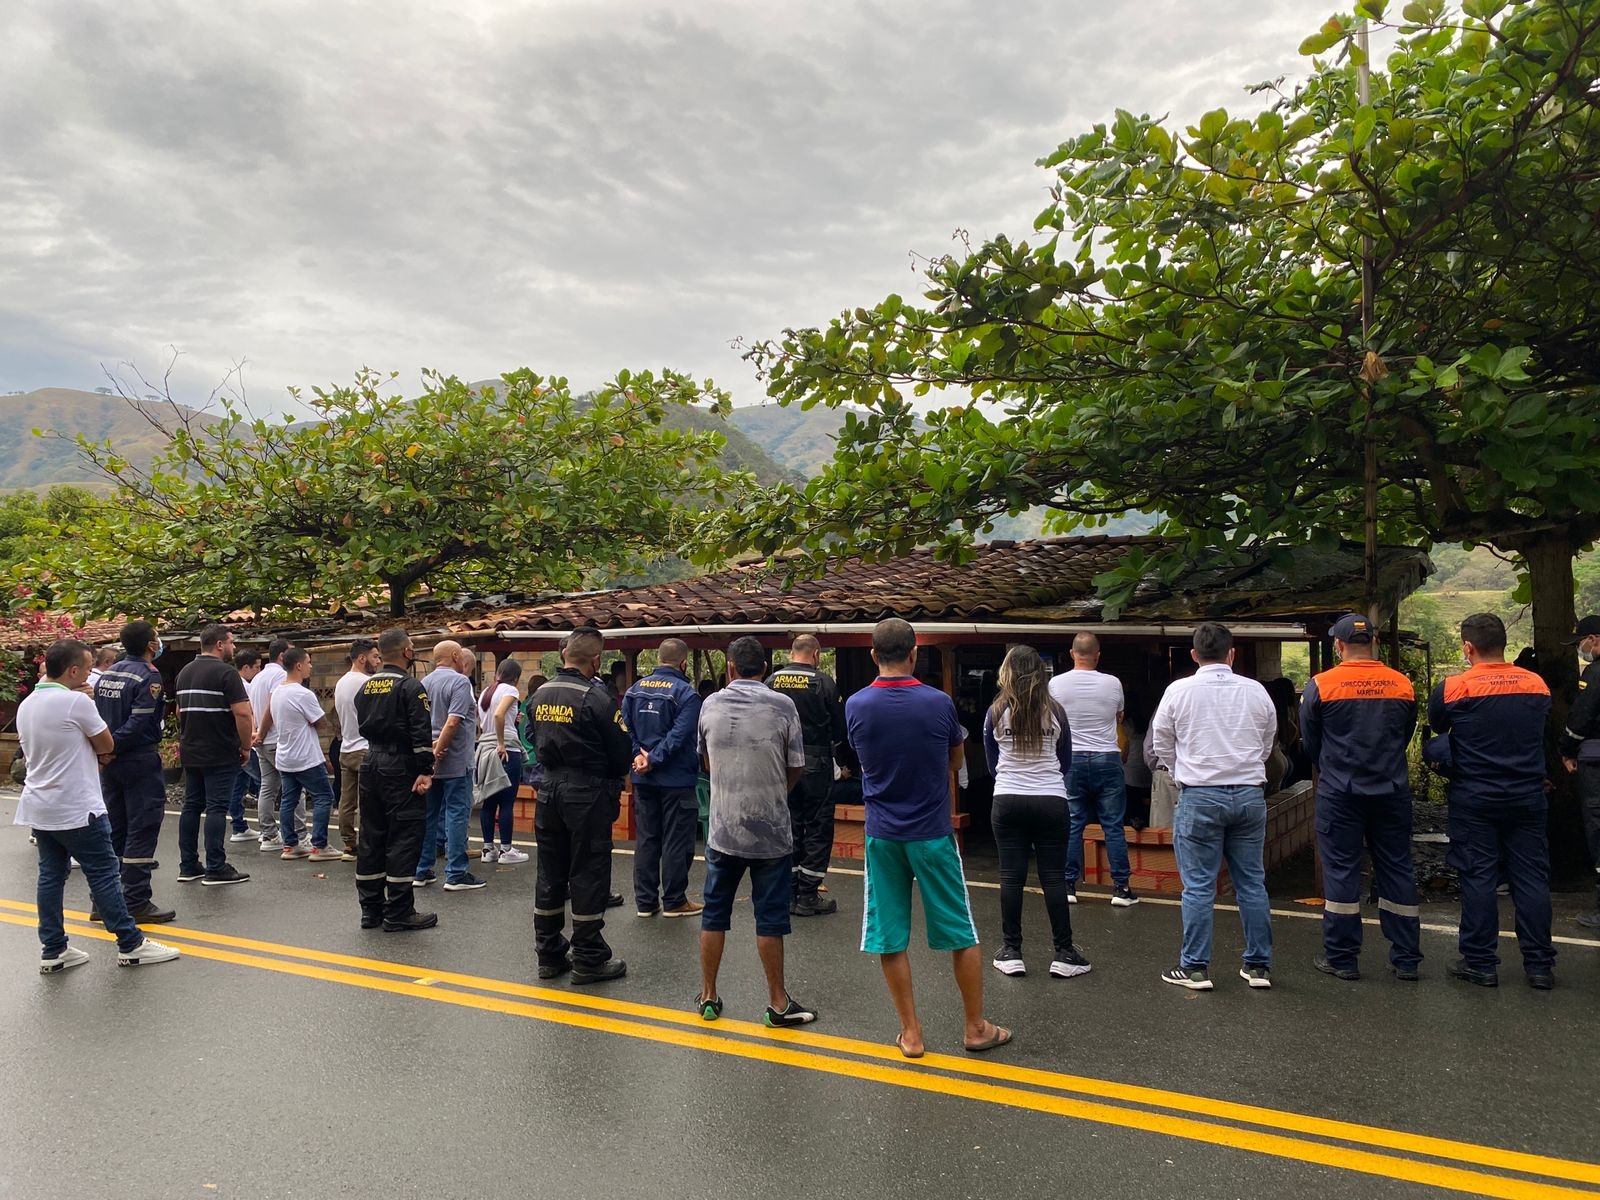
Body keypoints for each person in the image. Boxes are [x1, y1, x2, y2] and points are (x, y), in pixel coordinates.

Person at [846, 618, 1009, 1058]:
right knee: (960, 930)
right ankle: (975, 1027)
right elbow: (955, 761)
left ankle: (911, 1033)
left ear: (873, 655)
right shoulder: (939, 703)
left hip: (882, 834)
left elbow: (862, 756)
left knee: (889, 934)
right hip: (933, 832)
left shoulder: (857, 705)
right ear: (915, 654)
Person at [21, 639, 181, 971]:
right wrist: (86, 704)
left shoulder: (29, 703)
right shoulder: (76, 703)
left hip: (41, 804)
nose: (90, 674)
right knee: (105, 873)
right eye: (87, 667)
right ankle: (130, 943)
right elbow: (106, 743)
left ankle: (53, 948)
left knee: (50, 876)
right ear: (73, 670)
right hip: (77, 805)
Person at [1427, 613, 1556, 989]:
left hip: (1475, 797)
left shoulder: (1454, 687)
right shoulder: (1536, 684)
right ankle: (1540, 966)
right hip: (1527, 795)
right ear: (1504, 644)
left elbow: (1438, 726)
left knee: (1478, 876)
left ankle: (1480, 962)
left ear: (1468, 647)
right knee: (1531, 878)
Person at [694, 636, 817, 1026]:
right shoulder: (783, 705)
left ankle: (709, 995)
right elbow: (796, 765)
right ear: (765, 668)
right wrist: (774, 792)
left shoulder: (710, 704)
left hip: (723, 829)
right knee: (770, 918)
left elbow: (705, 761)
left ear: (730, 668)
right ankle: (777, 1003)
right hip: (771, 830)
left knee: (714, 913)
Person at [1149, 622, 1277, 991]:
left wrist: (1180, 771)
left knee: (1199, 886)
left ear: (1194, 654)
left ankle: (1194, 967)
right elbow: (1267, 741)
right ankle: (1258, 966)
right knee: (1251, 882)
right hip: (1249, 794)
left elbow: (1161, 742)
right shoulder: (1256, 691)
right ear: (1231, 653)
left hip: (1200, 794)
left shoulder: (1178, 691)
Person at [1299, 613, 1421, 981]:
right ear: (1375, 642)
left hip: (1341, 792)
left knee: (1341, 871)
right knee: (1397, 868)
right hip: (1391, 790)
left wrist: (1333, 766)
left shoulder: (1322, 685)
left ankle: (1342, 958)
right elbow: (1405, 733)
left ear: (1338, 645)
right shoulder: (1401, 684)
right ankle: (1406, 959)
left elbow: (1311, 744)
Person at [529, 627, 631, 983]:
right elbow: (621, 751)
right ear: (596, 660)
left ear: (564, 655)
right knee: (588, 872)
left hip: (548, 789)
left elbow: (532, 736)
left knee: (550, 872)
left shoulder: (540, 694)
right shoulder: (597, 697)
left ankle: (548, 954)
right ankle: (588, 957)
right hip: (586, 792)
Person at [983, 644, 1090, 980]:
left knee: (1010, 877)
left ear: (1007, 672)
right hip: (1050, 799)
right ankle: (1064, 953)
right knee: (1054, 877)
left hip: (1007, 798)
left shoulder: (996, 710)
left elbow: (991, 762)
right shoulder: (1055, 711)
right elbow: (1065, 760)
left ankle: (1011, 951)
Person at [354, 628, 438, 931]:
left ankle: (371, 909)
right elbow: (420, 732)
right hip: (400, 766)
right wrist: (426, 769)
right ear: (406, 652)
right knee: (404, 836)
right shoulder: (411, 687)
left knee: (372, 835)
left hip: (370, 762)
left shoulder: (365, 687)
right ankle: (399, 911)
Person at [92, 619, 175, 924]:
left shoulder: (108, 673)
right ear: (151, 645)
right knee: (142, 828)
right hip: (137, 759)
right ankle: (136, 900)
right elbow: (140, 721)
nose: (159, 642)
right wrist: (114, 747)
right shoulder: (148, 675)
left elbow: (97, 718)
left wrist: (105, 750)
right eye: (157, 637)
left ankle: (103, 901)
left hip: (110, 763)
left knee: (115, 830)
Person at [1049, 633, 1138, 907]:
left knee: (1073, 822)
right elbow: (1119, 718)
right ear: (1098, 655)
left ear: (1072, 653)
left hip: (1072, 758)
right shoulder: (1113, 683)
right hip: (1107, 757)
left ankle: (1068, 885)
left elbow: (1052, 721)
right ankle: (1121, 888)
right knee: (1113, 825)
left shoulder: (1055, 684)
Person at [767, 634, 850, 917]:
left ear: (792, 653)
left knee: (788, 824)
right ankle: (808, 894)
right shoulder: (824, 683)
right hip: (816, 762)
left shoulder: (771, 682)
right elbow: (840, 727)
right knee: (817, 826)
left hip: (780, 763)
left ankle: (789, 891)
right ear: (816, 655)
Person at [622, 638, 703, 918]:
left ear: (658, 659)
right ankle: (674, 900)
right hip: (676, 779)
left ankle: (645, 902)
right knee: (676, 840)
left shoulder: (634, 691)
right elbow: (679, 736)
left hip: (643, 778)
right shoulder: (687, 694)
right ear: (683, 663)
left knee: (647, 839)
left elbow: (626, 728)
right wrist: (654, 759)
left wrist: (639, 756)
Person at [173, 624, 253, 887]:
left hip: (191, 749)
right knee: (217, 807)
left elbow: (179, 712)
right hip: (219, 749)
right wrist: (245, 746)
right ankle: (216, 867)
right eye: (231, 642)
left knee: (191, 805)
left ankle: (188, 865)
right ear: (219, 644)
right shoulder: (226, 673)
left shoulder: (184, 672)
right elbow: (242, 713)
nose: (233, 647)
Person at [413, 641, 486, 891]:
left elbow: (419, 722)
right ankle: (456, 873)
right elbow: (453, 722)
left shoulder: (424, 683)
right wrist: (438, 752)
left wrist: (429, 753)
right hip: (455, 759)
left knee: (429, 815)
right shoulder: (460, 682)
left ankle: (422, 870)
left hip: (429, 761)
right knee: (456, 813)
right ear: (456, 655)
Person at [271, 648, 341, 861]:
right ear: (299, 665)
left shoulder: (277, 691)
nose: (311, 666)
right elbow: (321, 722)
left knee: (288, 800)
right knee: (324, 796)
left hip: (285, 755)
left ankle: (290, 844)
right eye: (308, 662)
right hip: (305, 756)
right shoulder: (303, 694)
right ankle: (320, 845)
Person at [1559, 614, 1600, 929]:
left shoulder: (1595, 673)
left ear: (1594, 639)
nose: (1580, 649)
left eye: (1581, 642)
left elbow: (1581, 716)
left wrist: (1567, 750)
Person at [250, 639, 307, 852]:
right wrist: (263, 732)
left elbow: (253, 708)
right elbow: (272, 706)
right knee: (295, 787)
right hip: (275, 739)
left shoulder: (258, 677)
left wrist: (256, 733)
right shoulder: (279, 675)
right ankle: (299, 834)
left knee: (268, 787)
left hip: (262, 741)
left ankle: (269, 834)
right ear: (282, 656)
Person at [478, 657, 529, 865]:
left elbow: (489, 720)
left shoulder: (486, 692)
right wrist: (501, 743)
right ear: (515, 678)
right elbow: (499, 715)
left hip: (485, 748)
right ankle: (506, 850)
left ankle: (488, 849)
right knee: (507, 801)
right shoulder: (511, 691)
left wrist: (511, 721)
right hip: (506, 749)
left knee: (489, 801)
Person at [333, 638, 380, 861]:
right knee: (368, 801)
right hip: (365, 747)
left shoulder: (341, 682)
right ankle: (368, 844)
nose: (378, 661)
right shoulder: (367, 682)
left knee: (347, 800)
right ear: (362, 658)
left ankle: (349, 844)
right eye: (374, 656)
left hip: (346, 747)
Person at [227, 649, 264, 842]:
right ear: (246, 667)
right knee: (264, 783)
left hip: (235, 740)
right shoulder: (245, 687)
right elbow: (247, 714)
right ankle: (267, 829)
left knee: (238, 784)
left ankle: (239, 826)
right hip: (247, 740)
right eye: (257, 667)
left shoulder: (232, 682)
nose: (259, 671)